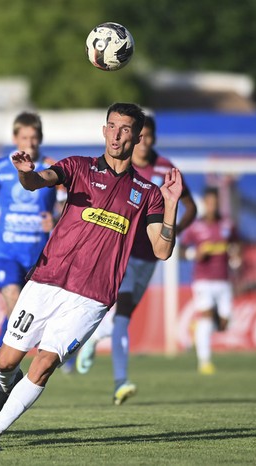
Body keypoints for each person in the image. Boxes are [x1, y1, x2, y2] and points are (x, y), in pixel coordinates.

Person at [0, 102, 185, 452]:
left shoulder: (147, 194)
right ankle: (2, 378)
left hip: (92, 297)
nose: (117, 134)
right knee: (9, 359)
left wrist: (172, 205)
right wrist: (26, 173)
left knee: (44, 364)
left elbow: (162, 251)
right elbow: (36, 182)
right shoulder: (78, 167)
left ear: (137, 136)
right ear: (104, 130)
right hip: (46, 279)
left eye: (125, 129)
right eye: (112, 126)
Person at [72, 114, 197, 405]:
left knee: (120, 317)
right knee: (124, 317)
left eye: (152, 137)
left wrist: (169, 229)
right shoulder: (122, 169)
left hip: (149, 257)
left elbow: (189, 206)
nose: (147, 142)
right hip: (122, 254)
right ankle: (120, 381)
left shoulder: (166, 169)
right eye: (144, 136)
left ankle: (93, 338)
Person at [0, 112, 58, 408]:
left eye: (34, 138)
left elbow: (62, 205)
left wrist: (56, 219)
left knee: (24, 316)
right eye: (25, 138)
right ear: (15, 140)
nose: (30, 143)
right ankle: (3, 371)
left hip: (38, 254)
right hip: (6, 250)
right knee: (13, 303)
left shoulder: (50, 169)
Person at [180, 186, 240, 375]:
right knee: (206, 320)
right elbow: (181, 251)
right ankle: (204, 362)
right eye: (209, 202)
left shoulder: (227, 225)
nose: (212, 206)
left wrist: (236, 256)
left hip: (223, 280)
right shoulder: (195, 226)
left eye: (215, 202)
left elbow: (236, 245)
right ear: (204, 204)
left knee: (224, 324)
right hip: (203, 280)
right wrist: (194, 254)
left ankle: (196, 328)